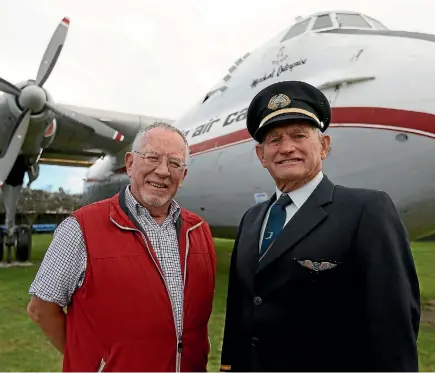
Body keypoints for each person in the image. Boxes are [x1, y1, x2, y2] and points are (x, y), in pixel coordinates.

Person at [219, 81, 420, 372]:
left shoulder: (366, 211)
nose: (286, 148)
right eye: (274, 140)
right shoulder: (252, 219)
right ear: (261, 156)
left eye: (299, 135)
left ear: (324, 146)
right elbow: (241, 309)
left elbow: (393, 322)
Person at [27, 122, 216, 372]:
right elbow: (41, 309)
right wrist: (93, 362)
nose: (162, 171)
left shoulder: (199, 230)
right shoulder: (81, 227)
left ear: (184, 175)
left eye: (174, 163)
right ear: (129, 163)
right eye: (152, 157)